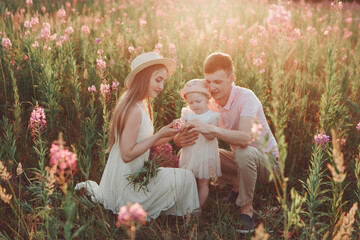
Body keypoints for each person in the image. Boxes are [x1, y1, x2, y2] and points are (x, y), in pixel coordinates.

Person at [76, 52, 200, 220]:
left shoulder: (139, 103)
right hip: (130, 185)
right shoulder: (134, 109)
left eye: (163, 80)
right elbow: (127, 155)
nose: (162, 86)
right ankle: (188, 220)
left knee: (184, 176)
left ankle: (181, 215)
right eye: (158, 80)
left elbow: (144, 142)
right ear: (143, 78)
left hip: (135, 175)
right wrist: (159, 135)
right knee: (186, 177)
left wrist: (170, 133)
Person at [174, 52, 280, 233]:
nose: (212, 87)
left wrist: (212, 130)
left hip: (268, 165)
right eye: (209, 82)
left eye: (218, 81)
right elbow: (190, 123)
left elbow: (245, 139)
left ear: (232, 78)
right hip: (241, 160)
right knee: (192, 154)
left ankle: (247, 209)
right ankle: (233, 188)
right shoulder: (211, 102)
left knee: (243, 152)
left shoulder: (247, 98)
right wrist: (179, 140)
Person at [177, 79, 221, 210]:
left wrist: (202, 128)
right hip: (190, 151)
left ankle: (198, 208)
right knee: (187, 177)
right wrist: (181, 125)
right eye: (191, 102)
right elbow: (180, 126)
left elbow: (211, 136)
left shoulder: (212, 116)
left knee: (203, 181)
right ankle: (184, 204)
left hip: (205, 152)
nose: (194, 105)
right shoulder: (187, 113)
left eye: (198, 101)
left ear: (207, 99)